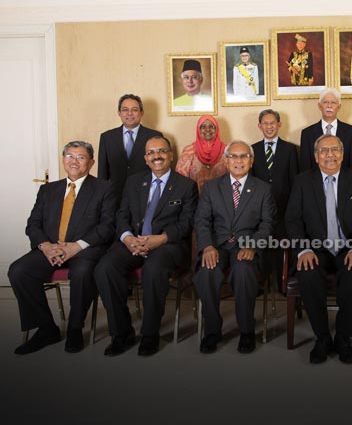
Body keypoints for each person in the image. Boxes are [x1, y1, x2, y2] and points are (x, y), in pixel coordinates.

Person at [94, 136, 198, 357]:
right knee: (105, 268)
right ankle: (121, 333)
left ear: (171, 155)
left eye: (161, 151)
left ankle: (150, 334)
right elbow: (122, 215)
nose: (156, 156)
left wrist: (159, 239)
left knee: (153, 269)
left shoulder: (186, 185)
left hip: (167, 245)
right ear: (145, 158)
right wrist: (127, 237)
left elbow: (187, 222)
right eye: (151, 153)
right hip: (134, 241)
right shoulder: (133, 182)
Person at [9, 141, 116, 355]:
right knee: (18, 270)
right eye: (69, 156)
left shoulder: (105, 188)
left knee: (83, 272)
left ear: (91, 162)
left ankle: (75, 327)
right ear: (63, 159)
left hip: (85, 249)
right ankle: (47, 328)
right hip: (52, 248)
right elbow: (33, 224)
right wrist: (46, 246)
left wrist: (76, 247)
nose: (74, 161)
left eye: (80, 157)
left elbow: (107, 226)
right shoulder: (48, 189)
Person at [285, 134, 352, 364]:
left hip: (349, 247)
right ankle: (322, 337)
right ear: (315, 157)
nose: (330, 155)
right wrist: (303, 249)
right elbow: (293, 220)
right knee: (307, 272)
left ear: (343, 154)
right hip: (316, 248)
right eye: (323, 151)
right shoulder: (303, 181)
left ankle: (344, 338)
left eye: (335, 149)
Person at [193, 140, 276, 355]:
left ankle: (247, 330)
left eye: (244, 156)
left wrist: (252, 245)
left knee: (243, 271)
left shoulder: (263, 189)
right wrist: (207, 246)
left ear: (251, 160)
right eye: (234, 156)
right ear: (226, 160)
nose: (238, 161)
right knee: (207, 272)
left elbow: (268, 224)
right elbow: (202, 221)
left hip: (246, 247)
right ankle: (212, 330)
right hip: (217, 246)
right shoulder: (211, 187)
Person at [251, 109, 299, 293]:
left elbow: (295, 180)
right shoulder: (252, 150)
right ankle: (260, 285)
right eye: (265, 123)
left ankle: (282, 284)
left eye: (273, 123)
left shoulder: (290, 149)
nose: (269, 126)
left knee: (281, 247)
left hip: (284, 207)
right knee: (261, 246)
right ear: (260, 126)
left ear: (279, 125)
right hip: (260, 210)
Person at [98, 94, 163, 204]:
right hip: (115, 197)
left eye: (134, 110)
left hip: (146, 194)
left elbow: (160, 168)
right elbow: (102, 173)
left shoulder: (154, 136)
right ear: (119, 113)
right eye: (125, 110)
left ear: (141, 113)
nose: (129, 113)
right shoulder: (107, 137)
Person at [300, 88, 352, 171]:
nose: (329, 106)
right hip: (315, 182)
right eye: (325, 102)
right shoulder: (307, 133)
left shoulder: (351, 132)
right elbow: (305, 166)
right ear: (319, 106)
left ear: (339, 107)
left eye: (333, 102)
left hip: (345, 182)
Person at [175, 115, 227, 192]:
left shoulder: (227, 150)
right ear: (198, 130)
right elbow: (180, 179)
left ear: (217, 129)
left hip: (222, 197)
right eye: (203, 127)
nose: (207, 130)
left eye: (211, 126)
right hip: (194, 198)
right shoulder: (189, 151)